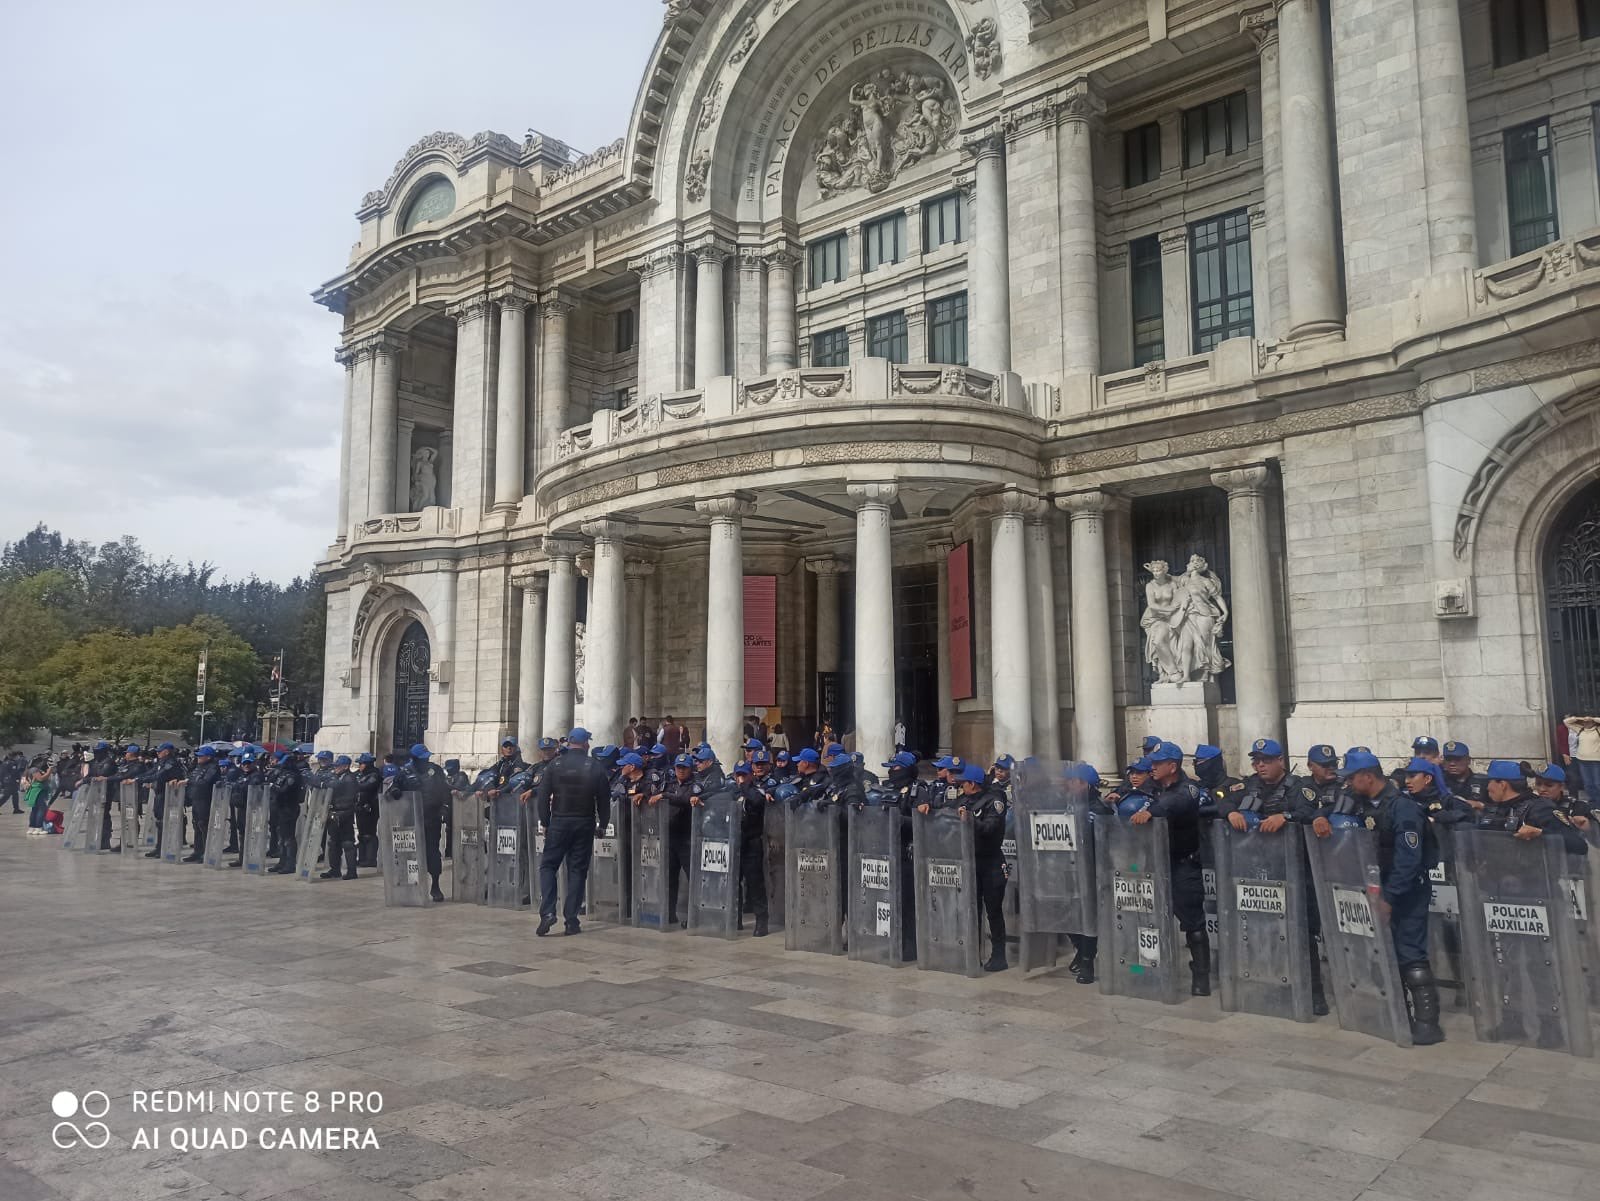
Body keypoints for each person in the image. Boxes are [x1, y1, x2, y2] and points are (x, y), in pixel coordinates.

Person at [1333, 749, 1443, 1045]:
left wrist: (1390, 898)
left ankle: (1427, 1024)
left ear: (1368, 776)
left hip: (1405, 892)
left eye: (1353, 778)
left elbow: (1409, 859)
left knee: (1410, 954)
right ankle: (1396, 1013)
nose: (1349, 784)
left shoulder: (1402, 808)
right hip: (1377, 890)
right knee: (1382, 954)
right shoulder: (1366, 805)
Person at [1223, 738, 1329, 1015]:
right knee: (1263, 932)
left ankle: (1314, 992)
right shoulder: (1249, 786)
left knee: (1302, 934)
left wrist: (1286, 816)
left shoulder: (1299, 787)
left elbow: (1311, 811)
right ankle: (1270, 985)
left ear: (1280, 760)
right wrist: (1231, 811)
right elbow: (1218, 800)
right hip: (1260, 873)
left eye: (1266, 760)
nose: (1260, 765)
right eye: (1256, 761)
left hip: (1294, 871)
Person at [1130, 742, 1211, 995]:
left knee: (1193, 922)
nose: (1152, 767)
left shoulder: (1188, 789)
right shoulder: (1152, 788)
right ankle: (1149, 970)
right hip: (1155, 864)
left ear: (1172, 766)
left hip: (1182, 865)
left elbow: (1174, 804)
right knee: (1148, 919)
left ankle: (1201, 978)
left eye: (1157, 763)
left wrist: (1151, 812)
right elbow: (1127, 794)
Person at [533, 728, 611, 936]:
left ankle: (548, 912)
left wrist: (545, 822)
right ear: (585, 744)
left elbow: (542, 797)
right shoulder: (594, 766)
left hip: (559, 821)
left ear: (570, 743)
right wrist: (603, 824)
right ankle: (571, 920)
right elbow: (604, 799)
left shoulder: (555, 765)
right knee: (577, 871)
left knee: (548, 866)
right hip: (584, 823)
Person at [953, 762, 1009, 972]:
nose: (961, 787)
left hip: (991, 861)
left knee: (993, 910)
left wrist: (969, 820)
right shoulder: (963, 799)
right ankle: (971, 953)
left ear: (973, 784)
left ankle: (999, 955)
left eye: (964, 784)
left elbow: (991, 828)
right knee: (970, 908)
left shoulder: (993, 801)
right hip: (970, 861)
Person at [1479, 760, 1590, 853]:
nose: (1487, 787)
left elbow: (1578, 845)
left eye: (1490, 782)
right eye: (1538, 784)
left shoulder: (1539, 808)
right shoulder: (1492, 808)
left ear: (1502, 785)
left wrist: (1541, 834)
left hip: (1531, 877)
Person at [387, 743, 451, 900]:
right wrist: (395, 791)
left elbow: (445, 790)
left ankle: (435, 885)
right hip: (411, 819)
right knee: (410, 854)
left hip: (431, 818)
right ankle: (413, 886)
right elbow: (392, 788)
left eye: (427, 757)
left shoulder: (435, 770)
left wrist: (444, 807)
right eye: (423, 758)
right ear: (414, 759)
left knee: (433, 853)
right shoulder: (404, 772)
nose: (426, 760)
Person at [1062, 763, 1104, 983]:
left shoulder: (1098, 809)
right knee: (1068, 914)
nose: (1068, 785)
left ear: (1085, 784)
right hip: (1070, 869)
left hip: (1091, 870)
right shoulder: (1069, 805)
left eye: (1073, 781)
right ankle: (1080, 949)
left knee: (1088, 917)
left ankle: (1087, 962)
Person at [655, 752, 697, 927]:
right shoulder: (669, 784)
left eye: (684, 767)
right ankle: (669, 913)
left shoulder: (694, 785)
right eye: (678, 767)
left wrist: (665, 796)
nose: (681, 770)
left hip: (687, 838)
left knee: (693, 878)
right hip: (670, 837)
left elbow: (685, 799)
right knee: (669, 878)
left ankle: (694, 916)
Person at [730, 762, 769, 936]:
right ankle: (735, 919)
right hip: (735, 841)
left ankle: (761, 921)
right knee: (733, 883)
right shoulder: (732, 790)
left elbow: (758, 801)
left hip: (752, 842)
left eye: (744, 775)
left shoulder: (755, 789)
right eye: (738, 775)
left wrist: (745, 786)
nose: (741, 778)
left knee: (755, 884)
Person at [320, 756, 360, 879]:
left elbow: (336, 787)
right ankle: (334, 869)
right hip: (335, 813)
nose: (335, 768)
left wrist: (322, 782)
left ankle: (352, 871)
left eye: (338, 766)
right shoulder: (340, 777)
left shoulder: (349, 778)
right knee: (334, 843)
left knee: (347, 843)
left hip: (344, 814)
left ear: (346, 766)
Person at [180, 745, 221, 862]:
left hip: (205, 800)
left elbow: (204, 782)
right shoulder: (198, 767)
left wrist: (189, 781)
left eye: (201, 756)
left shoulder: (213, 767)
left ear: (208, 757)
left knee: (204, 826)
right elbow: (192, 777)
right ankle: (197, 852)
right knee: (196, 825)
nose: (198, 758)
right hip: (196, 799)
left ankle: (207, 852)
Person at [1533, 762, 1591, 829]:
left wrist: (1587, 828)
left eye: (1549, 785)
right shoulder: (1530, 807)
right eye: (1538, 784)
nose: (1542, 789)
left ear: (1562, 787)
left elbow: (1594, 835)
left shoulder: (1578, 808)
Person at [1564, 714, 1600, 804]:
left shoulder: (1597, 729)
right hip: (1582, 761)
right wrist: (1580, 718)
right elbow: (1566, 721)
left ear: (1593, 722)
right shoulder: (1580, 729)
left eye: (1588, 721)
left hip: (1596, 761)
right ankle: (1593, 801)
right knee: (1588, 784)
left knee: (1597, 783)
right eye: (1584, 721)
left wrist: (1592, 718)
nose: (1586, 723)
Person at [1440, 741, 1487, 807]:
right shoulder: (1440, 781)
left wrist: (1480, 805)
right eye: (1448, 759)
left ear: (1468, 760)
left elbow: (1499, 807)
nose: (1452, 764)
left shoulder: (1483, 782)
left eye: (1457, 759)